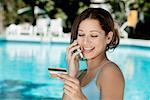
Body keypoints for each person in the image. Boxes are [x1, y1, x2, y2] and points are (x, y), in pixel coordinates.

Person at [57, 8, 125, 100]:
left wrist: (80, 97)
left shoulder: (110, 72)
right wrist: (72, 75)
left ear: (108, 37)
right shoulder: (79, 74)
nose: (85, 42)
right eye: (81, 34)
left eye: (93, 35)